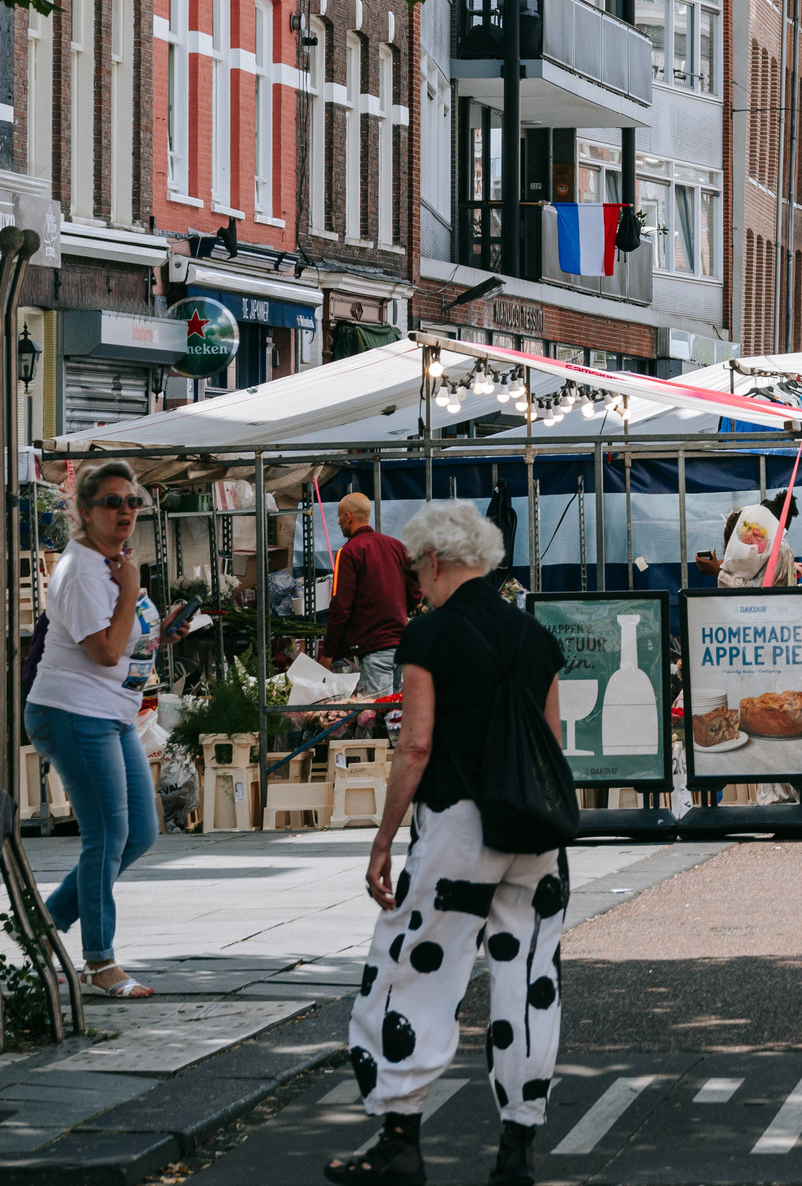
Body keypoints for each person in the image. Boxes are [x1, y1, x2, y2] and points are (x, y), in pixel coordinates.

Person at [328, 501, 568, 1186]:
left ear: (433, 561)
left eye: (416, 570)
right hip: (533, 829)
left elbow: (416, 744)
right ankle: (518, 1151)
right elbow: (548, 745)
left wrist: (382, 840)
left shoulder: (428, 638)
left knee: (414, 967)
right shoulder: (536, 637)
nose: (418, 583)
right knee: (528, 978)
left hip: (460, 826)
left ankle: (400, 1136)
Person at [26, 461, 191, 1000]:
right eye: (112, 502)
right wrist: (131, 593)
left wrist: (158, 635)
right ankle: (99, 962)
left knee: (140, 832)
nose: (125, 511)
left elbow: (126, 642)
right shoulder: (82, 570)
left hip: (112, 713)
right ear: (85, 512)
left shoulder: (115, 564)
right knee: (107, 838)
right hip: (73, 711)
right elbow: (103, 651)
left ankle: (39, 933)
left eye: (133, 502)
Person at [321, 492, 413, 697]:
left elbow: (340, 607)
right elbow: (416, 590)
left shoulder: (349, 552)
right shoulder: (397, 546)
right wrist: (397, 608)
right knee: (397, 716)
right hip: (402, 646)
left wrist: (328, 653)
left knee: (373, 717)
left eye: (339, 517)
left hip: (374, 649)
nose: (338, 522)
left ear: (348, 516)